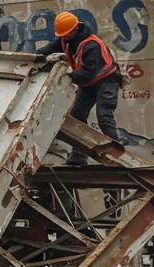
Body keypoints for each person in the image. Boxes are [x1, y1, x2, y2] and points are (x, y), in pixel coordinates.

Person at [37, 11, 124, 163]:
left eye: (65, 34)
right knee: (78, 115)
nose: (62, 37)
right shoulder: (65, 39)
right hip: (90, 83)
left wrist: (69, 71)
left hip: (107, 80)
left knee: (104, 115)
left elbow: (87, 74)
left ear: (75, 29)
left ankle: (117, 156)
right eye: (61, 35)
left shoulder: (92, 44)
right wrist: (36, 58)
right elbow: (47, 49)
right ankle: (79, 156)